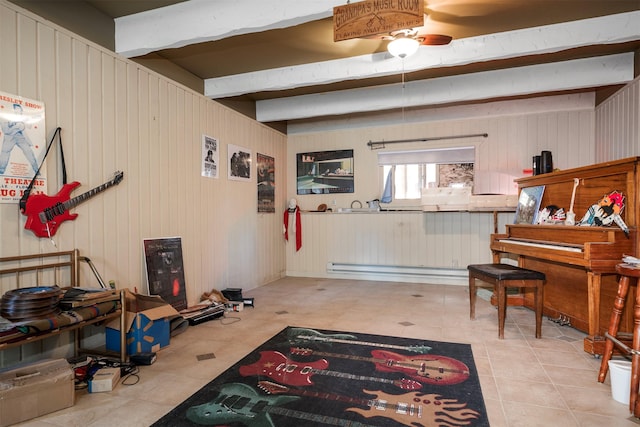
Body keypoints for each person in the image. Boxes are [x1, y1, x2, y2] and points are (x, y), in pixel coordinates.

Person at [0, 103, 40, 175]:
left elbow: (29, 126)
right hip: (9, 137)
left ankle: (36, 170)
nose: (18, 113)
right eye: (17, 112)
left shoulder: (21, 118)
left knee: (29, 151)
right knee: (5, 152)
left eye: (20, 112)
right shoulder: (4, 118)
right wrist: (16, 126)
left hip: (20, 136)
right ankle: (1, 171)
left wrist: (24, 122)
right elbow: (6, 131)